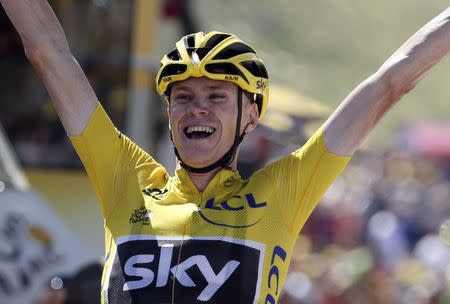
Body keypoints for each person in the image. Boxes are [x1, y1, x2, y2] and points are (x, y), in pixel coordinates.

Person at [1, 1, 449, 303]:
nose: (197, 109)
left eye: (216, 97)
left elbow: (389, 83)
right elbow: (49, 53)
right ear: (169, 110)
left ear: (250, 117)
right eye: (183, 97)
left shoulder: (282, 191)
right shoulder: (126, 178)